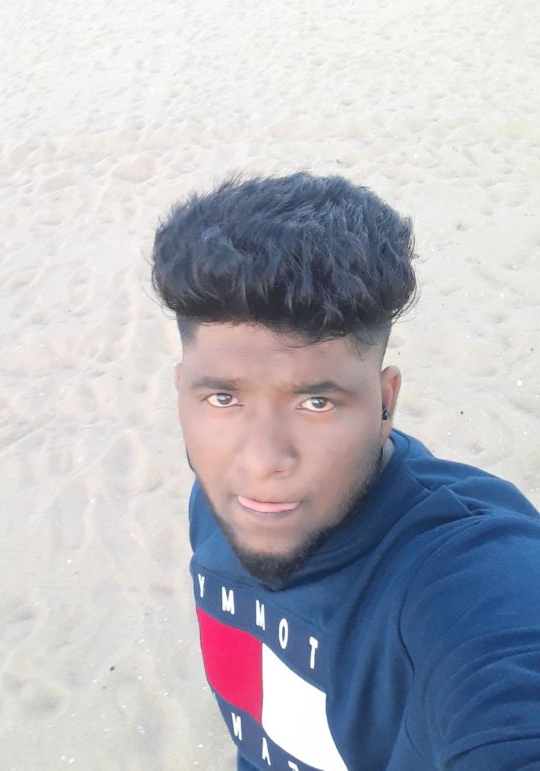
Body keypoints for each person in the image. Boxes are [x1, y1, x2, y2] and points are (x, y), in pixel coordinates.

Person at [150, 173, 540, 771]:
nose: (261, 461)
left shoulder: (465, 575)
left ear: (386, 403)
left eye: (316, 402)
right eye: (224, 398)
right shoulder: (220, 501)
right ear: (182, 391)